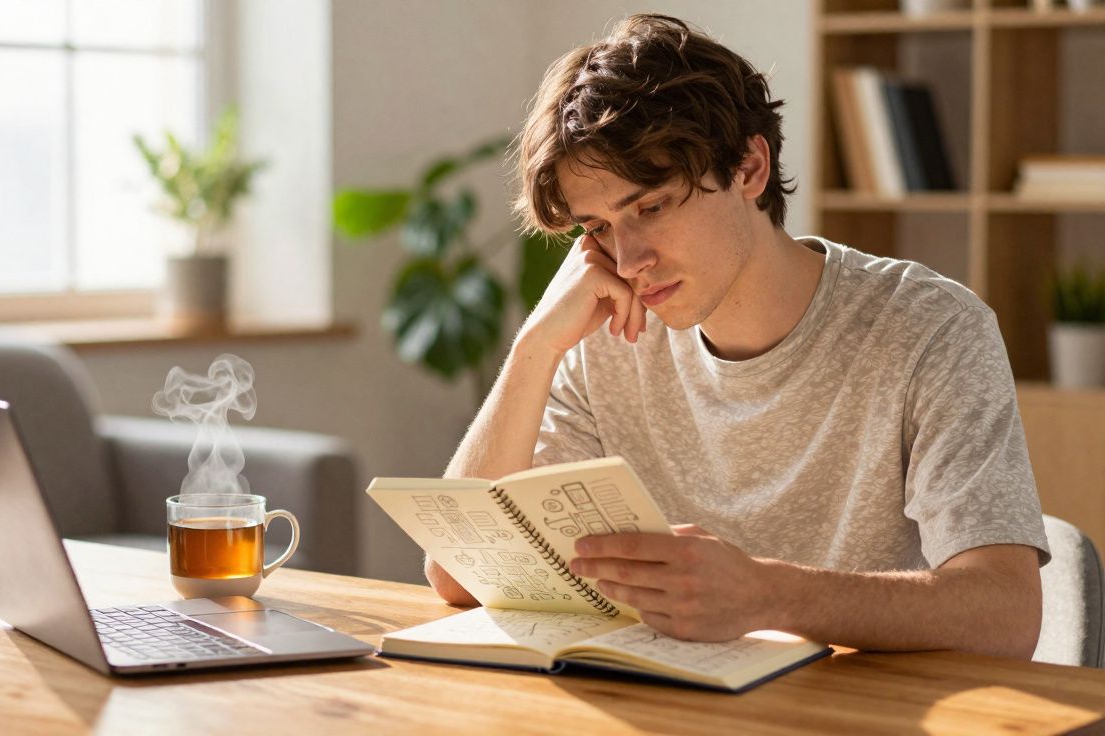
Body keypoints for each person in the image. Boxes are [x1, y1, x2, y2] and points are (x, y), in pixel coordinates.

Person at [425, 14, 1049, 659]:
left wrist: (770, 595)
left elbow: (1005, 616)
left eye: (651, 207)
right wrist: (534, 348)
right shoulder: (606, 331)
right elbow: (457, 574)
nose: (629, 260)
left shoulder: (931, 328)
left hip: (855, 705)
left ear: (749, 168)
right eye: (598, 227)